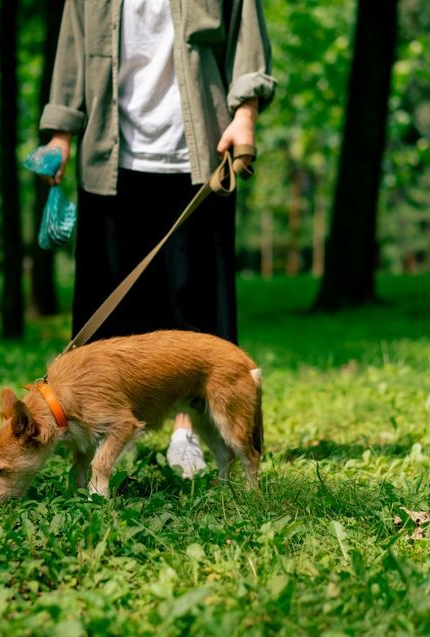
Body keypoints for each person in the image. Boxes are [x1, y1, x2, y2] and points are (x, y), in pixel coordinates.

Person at [38, 0, 275, 477]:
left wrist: (245, 112)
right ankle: (98, 443)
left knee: (195, 306)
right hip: (110, 160)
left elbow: (246, 30)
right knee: (105, 313)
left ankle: (187, 432)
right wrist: (61, 133)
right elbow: (71, 47)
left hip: (197, 153)